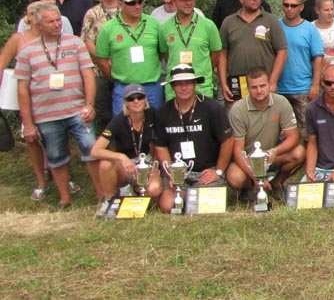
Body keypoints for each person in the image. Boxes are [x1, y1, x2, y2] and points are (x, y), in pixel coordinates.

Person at [14, 3, 100, 208]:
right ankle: (65, 198)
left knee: (91, 150)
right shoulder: (27, 51)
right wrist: (28, 123)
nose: (56, 25)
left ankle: (102, 194)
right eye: (50, 21)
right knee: (56, 156)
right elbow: (22, 89)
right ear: (39, 24)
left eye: (58, 20)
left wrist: (90, 104)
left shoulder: (75, 43)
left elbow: (88, 75)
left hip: (77, 110)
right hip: (46, 115)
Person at [151, 64, 233, 213]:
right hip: (179, 174)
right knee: (168, 206)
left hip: (206, 172)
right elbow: (160, 146)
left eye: (188, 83)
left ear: (194, 84)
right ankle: (184, 194)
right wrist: (171, 173)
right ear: (172, 86)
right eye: (179, 84)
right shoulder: (163, 112)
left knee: (206, 207)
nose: (184, 88)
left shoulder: (212, 108)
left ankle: (197, 194)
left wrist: (218, 171)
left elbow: (228, 140)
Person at [1, 1, 59, 200]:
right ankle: (41, 181)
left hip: (53, 97)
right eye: (36, 14)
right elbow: (2, 63)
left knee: (56, 138)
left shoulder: (54, 38)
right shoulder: (19, 39)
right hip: (27, 97)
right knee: (32, 138)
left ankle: (60, 176)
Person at [226, 69, 305, 196]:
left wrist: (275, 151)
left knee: (299, 153)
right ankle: (252, 188)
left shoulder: (281, 102)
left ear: (269, 85)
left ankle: (276, 183)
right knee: (235, 177)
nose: (259, 91)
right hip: (248, 159)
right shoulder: (237, 109)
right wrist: (256, 177)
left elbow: (293, 137)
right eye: (254, 87)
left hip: (271, 155)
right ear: (248, 88)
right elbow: (237, 151)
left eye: (262, 86)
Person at [94, 0, 163, 114]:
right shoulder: (108, 28)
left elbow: (162, 52)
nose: (137, 6)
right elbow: (101, 59)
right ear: (120, 4)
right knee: (123, 127)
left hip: (152, 86)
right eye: (131, 3)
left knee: (156, 125)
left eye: (139, 2)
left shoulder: (154, 24)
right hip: (123, 87)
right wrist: (115, 76)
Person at [90, 84, 162, 206]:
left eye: (140, 97)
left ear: (145, 100)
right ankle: (110, 201)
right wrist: (121, 157)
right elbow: (95, 151)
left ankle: (136, 192)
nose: (136, 101)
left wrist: (156, 165)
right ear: (125, 103)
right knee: (105, 164)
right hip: (127, 166)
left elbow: (162, 143)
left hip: (149, 164)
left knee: (154, 190)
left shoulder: (154, 115)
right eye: (131, 98)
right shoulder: (118, 121)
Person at [218, 0, 287, 104]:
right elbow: (222, 54)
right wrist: (223, 84)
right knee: (237, 121)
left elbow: (282, 51)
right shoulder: (228, 22)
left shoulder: (271, 20)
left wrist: (273, 81)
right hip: (238, 84)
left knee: (265, 121)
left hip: (263, 84)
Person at [157, 0, 222, 101]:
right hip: (174, 91)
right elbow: (165, 55)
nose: (188, 3)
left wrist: (203, 67)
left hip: (201, 88)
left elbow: (216, 55)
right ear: (174, 0)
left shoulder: (208, 25)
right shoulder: (164, 28)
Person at [81, 0, 121, 131]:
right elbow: (85, 40)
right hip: (99, 71)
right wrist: (103, 61)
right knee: (102, 112)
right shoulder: (92, 13)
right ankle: (102, 149)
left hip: (124, 69)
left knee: (124, 110)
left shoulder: (127, 9)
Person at [278, 0, 325, 127]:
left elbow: (318, 58)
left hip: (303, 89)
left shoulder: (310, 29)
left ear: (301, 7)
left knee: (306, 131)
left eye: (293, 5)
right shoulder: (275, 26)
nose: (289, 8)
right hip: (279, 90)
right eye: (286, 5)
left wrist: (315, 85)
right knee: (281, 132)